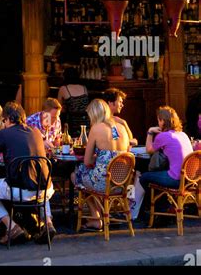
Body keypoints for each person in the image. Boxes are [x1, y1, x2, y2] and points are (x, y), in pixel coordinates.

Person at [0, 101, 54, 244]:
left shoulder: (4, 133)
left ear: (8, 119)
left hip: (21, 190)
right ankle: (48, 223)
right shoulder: (36, 131)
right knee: (41, 186)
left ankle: (12, 227)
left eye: (4, 120)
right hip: (47, 188)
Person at [72, 98, 129, 231]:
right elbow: (125, 154)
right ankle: (101, 214)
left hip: (103, 183)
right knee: (92, 177)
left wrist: (96, 159)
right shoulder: (121, 128)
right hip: (121, 184)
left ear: (94, 114)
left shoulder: (96, 128)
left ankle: (96, 217)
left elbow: (87, 162)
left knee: (76, 176)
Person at [140, 106, 193, 193]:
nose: (158, 123)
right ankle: (167, 202)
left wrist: (150, 132)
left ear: (162, 121)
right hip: (190, 179)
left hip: (176, 179)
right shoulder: (183, 134)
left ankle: (160, 204)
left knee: (144, 177)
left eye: (158, 120)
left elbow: (149, 150)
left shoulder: (163, 136)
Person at [57, 66, 89, 138]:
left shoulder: (63, 88)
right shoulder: (84, 87)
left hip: (72, 122)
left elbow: (59, 107)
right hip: (85, 121)